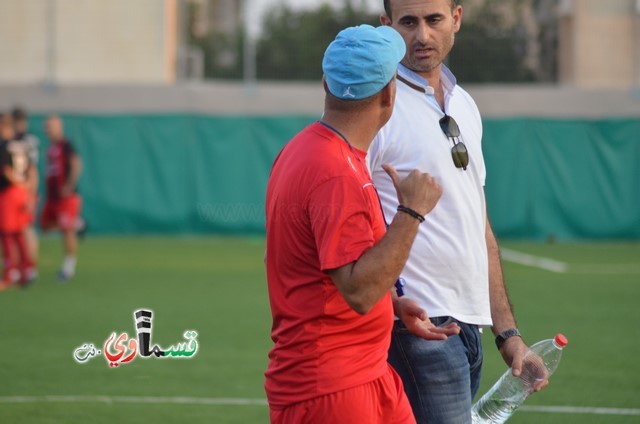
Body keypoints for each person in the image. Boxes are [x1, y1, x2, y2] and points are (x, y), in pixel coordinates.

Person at [264, 24, 457, 424]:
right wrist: (412, 211)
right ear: (390, 94)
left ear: (325, 84)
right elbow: (358, 290)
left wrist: (392, 305)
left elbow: (339, 273)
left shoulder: (311, 151)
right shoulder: (335, 171)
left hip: (363, 374)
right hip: (333, 389)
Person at [367, 1, 548, 423]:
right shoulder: (377, 104)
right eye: (408, 22)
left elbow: (478, 225)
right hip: (417, 325)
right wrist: (394, 301)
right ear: (387, 26)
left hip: (469, 326)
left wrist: (508, 336)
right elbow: (354, 214)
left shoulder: (464, 103)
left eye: (434, 20)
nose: (422, 35)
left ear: (457, 19)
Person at [41, 115, 83, 282]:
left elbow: (76, 164)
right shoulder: (51, 148)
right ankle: (78, 223)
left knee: (67, 231)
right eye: (46, 127)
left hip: (66, 196)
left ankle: (68, 268)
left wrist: (69, 185)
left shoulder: (66, 145)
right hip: (53, 197)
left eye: (51, 126)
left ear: (59, 127)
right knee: (45, 226)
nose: (48, 130)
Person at [0, 113, 36, 290]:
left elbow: (6, 171)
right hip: (22, 192)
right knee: (19, 234)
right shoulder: (22, 145)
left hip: (9, 193)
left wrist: (18, 183)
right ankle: (26, 270)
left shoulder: (4, 146)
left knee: (7, 234)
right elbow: (31, 170)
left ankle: (10, 273)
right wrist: (28, 191)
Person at [12, 107, 40, 269]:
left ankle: (30, 265)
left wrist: (31, 194)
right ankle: (18, 263)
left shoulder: (28, 140)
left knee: (26, 227)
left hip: (25, 187)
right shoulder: (15, 139)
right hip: (14, 188)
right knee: (13, 230)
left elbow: (32, 168)